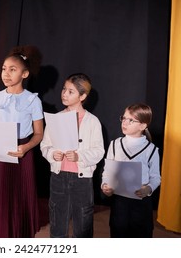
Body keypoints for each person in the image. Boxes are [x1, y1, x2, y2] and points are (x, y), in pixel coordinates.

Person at [0, 45, 44, 238]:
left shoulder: (33, 100)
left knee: (20, 195)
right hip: (0, 152)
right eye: (3, 68)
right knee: (1, 194)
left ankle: (20, 235)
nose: (6, 74)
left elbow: (38, 134)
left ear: (25, 74)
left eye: (12, 69)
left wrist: (25, 147)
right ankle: (1, 234)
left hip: (21, 151)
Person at [40, 73, 105, 238]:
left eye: (70, 91)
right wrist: (52, 154)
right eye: (64, 89)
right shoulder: (56, 118)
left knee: (83, 221)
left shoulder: (92, 121)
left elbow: (99, 150)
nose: (64, 94)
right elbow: (45, 145)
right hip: (59, 176)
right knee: (57, 218)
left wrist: (79, 156)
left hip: (81, 179)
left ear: (82, 96)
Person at [101, 103, 161, 238]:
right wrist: (105, 185)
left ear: (143, 126)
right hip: (119, 203)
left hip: (141, 204)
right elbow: (108, 172)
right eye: (124, 118)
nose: (125, 123)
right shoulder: (115, 144)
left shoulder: (151, 150)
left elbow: (156, 177)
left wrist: (148, 189)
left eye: (131, 120)